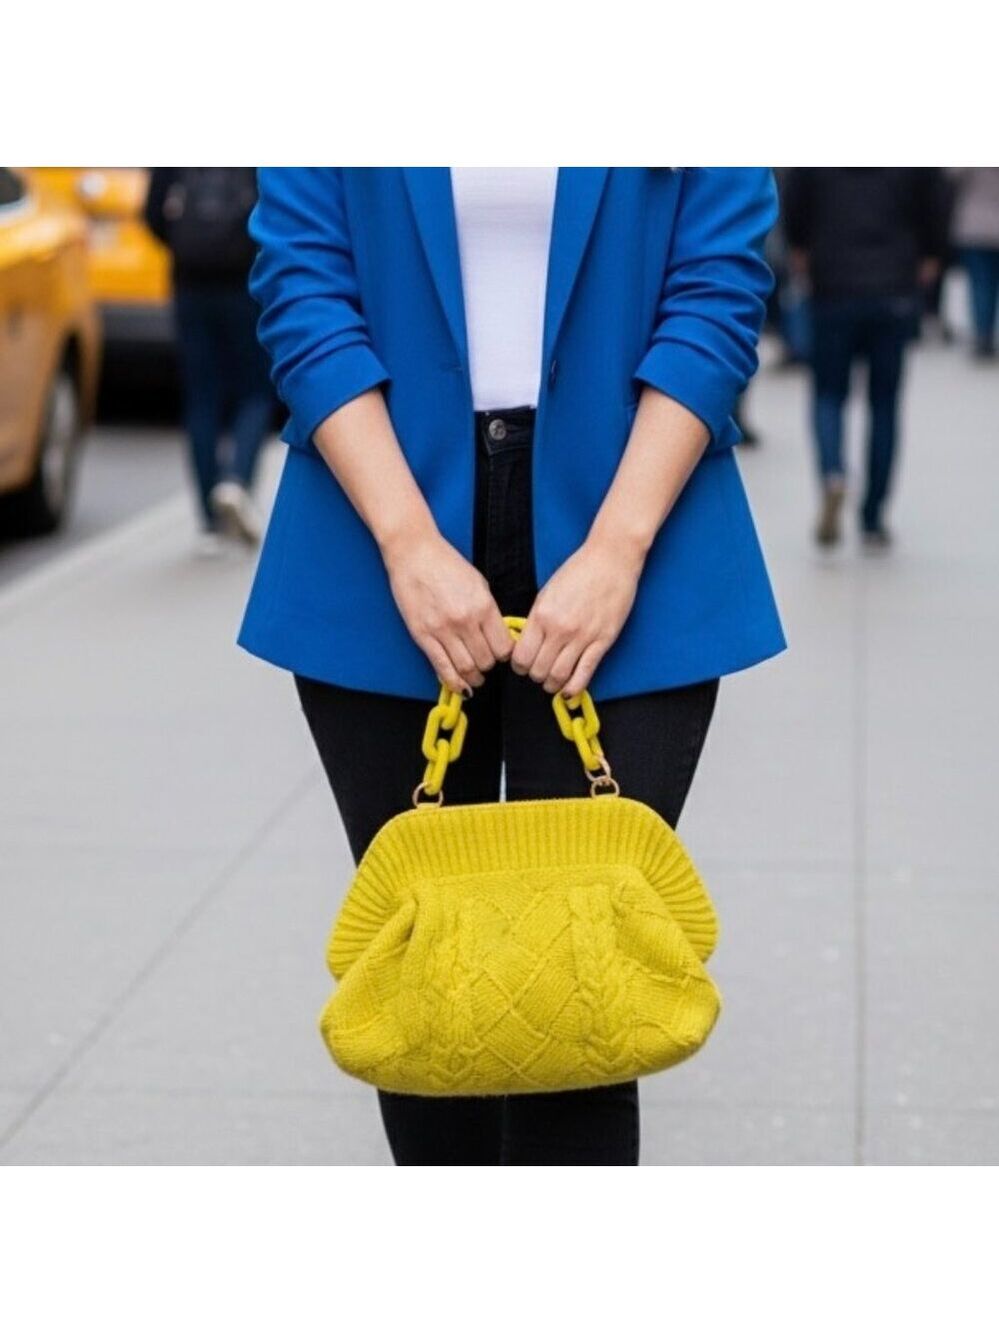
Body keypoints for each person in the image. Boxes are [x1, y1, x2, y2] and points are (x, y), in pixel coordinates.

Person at [239, 168, 785, 1166]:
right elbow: (303, 283)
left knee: (580, 990)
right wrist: (406, 542)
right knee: (428, 983)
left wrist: (619, 549)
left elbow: (716, 290)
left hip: (635, 520)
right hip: (380, 522)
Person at [783, 168, 950, 549]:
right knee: (884, 404)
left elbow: (794, 205)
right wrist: (932, 256)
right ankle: (873, 515)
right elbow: (936, 206)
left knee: (827, 395)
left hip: (832, 283)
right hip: (894, 286)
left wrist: (801, 250)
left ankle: (832, 474)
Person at [145, 168, 272, 553]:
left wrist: (186, 249)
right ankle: (236, 479)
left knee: (202, 398)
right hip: (245, 280)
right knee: (257, 390)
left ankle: (209, 522)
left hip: (190, 282)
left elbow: (151, 212)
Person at [950, 168, 999, 358]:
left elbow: (951, 176)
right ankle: (984, 335)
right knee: (985, 285)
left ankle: (983, 335)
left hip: (975, 228)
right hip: (978, 228)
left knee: (980, 284)